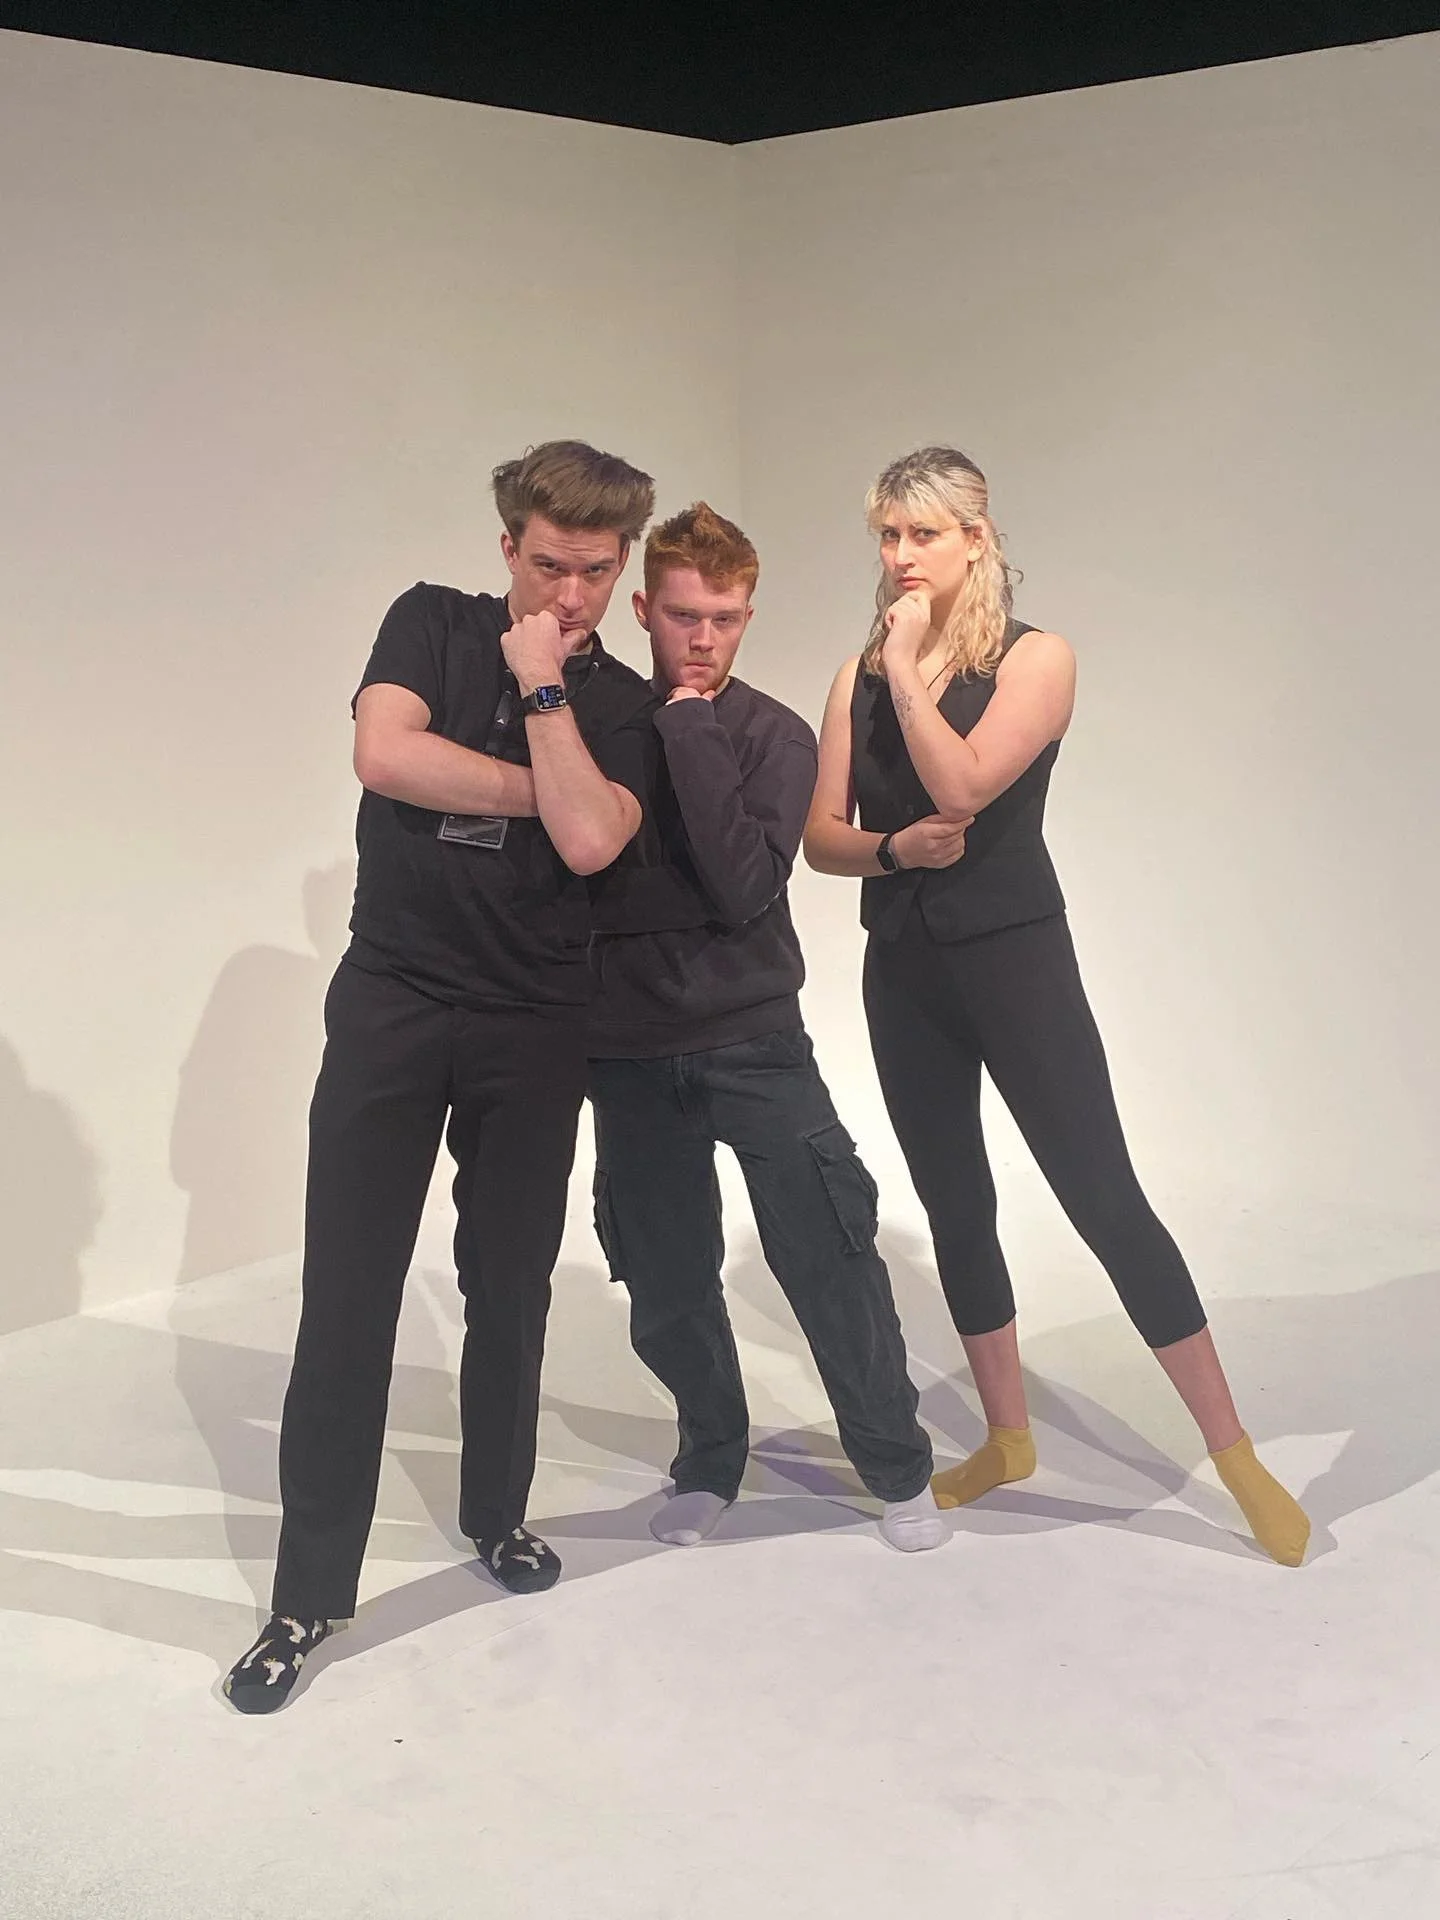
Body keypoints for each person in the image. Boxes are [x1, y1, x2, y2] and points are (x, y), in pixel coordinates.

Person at [803, 445, 1310, 1569]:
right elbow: (822, 838)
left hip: (1017, 964)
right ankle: (1008, 1438)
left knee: (1104, 1197)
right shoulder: (855, 676)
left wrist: (905, 667)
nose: (900, 555)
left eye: (923, 533)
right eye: (888, 534)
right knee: (956, 1204)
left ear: (975, 539)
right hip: (905, 972)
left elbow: (965, 786)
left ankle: (1234, 1455)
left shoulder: (1038, 659)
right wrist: (891, 850)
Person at [225, 441, 659, 1712]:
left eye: (596, 571)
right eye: (551, 564)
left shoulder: (626, 703)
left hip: (538, 1018)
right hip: (396, 1001)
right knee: (349, 1294)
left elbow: (596, 841)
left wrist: (544, 692)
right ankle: (307, 1594)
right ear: (507, 546)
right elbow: (386, 756)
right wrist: (545, 783)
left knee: (509, 1285)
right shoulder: (431, 621)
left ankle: (496, 1513)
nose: (571, 594)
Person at [587, 502, 945, 1554]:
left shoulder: (773, 735)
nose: (703, 639)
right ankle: (709, 1459)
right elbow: (577, 879)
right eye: (683, 616)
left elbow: (745, 884)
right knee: (665, 1279)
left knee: (830, 1254)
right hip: (627, 1050)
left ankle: (896, 1467)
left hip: (755, 1039)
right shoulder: (595, 724)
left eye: (726, 618)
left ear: (748, 616)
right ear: (644, 609)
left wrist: (689, 726)